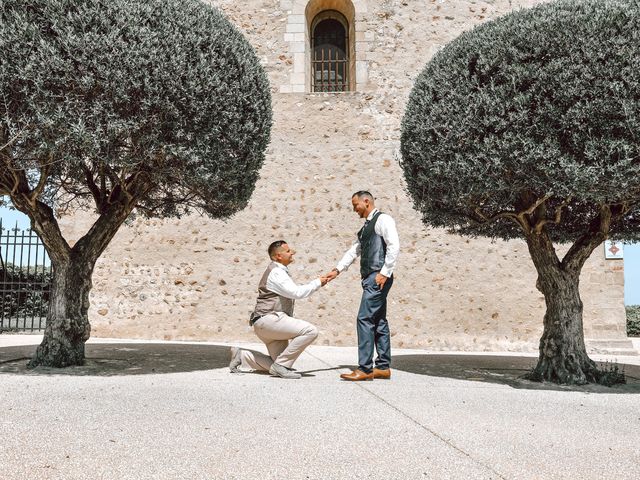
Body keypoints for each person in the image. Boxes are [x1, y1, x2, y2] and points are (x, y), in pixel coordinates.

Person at [325, 191, 400, 381]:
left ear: (366, 202)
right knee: (379, 321)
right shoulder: (366, 227)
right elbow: (354, 251)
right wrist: (337, 269)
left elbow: (394, 245)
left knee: (364, 318)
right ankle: (383, 367)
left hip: (377, 276)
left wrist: (384, 272)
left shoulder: (384, 220)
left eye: (355, 205)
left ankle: (365, 368)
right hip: (372, 277)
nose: (354, 209)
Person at [229, 240, 329, 379]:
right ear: (278, 256)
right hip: (269, 320)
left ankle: (243, 356)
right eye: (288, 251)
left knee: (278, 363)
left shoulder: (278, 271)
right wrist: (317, 282)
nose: (292, 252)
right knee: (310, 331)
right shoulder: (276, 272)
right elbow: (297, 293)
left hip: (266, 324)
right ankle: (280, 366)